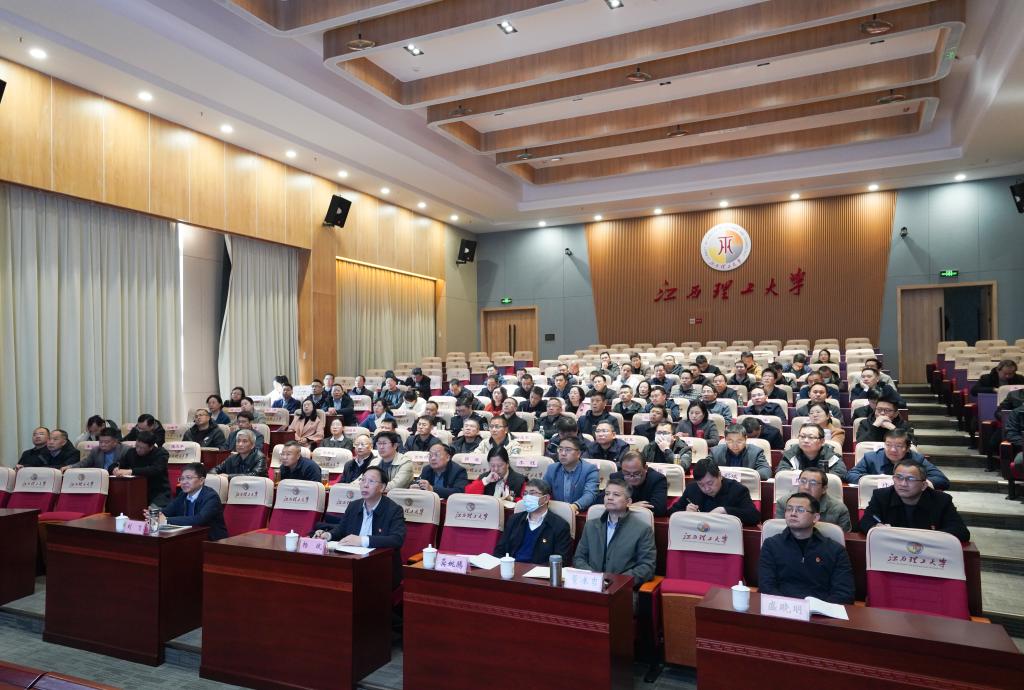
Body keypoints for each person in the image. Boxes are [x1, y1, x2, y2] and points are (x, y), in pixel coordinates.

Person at [312, 467, 407, 587]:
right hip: (352, 562)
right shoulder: (354, 506)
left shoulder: (394, 510)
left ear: (382, 487)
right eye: (363, 480)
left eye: (371, 481)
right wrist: (328, 535)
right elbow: (342, 529)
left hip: (381, 568)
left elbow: (397, 539)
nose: (365, 485)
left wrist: (362, 540)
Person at [759, 492, 855, 604]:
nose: (793, 514)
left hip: (821, 611)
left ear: (815, 517)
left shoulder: (835, 550)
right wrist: (788, 607)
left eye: (800, 510)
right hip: (781, 609)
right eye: (789, 509)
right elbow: (766, 586)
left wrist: (819, 609)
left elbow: (844, 593)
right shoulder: (771, 545)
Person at [573, 478, 656, 587]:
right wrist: (595, 579)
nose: (610, 497)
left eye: (616, 495)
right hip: (590, 586)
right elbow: (579, 558)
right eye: (607, 494)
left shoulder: (643, 529)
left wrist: (616, 582)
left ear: (628, 502)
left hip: (622, 589)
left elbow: (647, 567)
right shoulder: (591, 525)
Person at [860, 461, 970, 541]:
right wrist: (876, 527)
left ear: (924, 485)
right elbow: (865, 522)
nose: (903, 484)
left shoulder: (941, 500)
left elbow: (961, 531)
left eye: (911, 479)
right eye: (898, 477)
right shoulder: (881, 496)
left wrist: (923, 536)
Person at [847, 429, 949, 489]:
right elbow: (851, 475)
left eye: (899, 446)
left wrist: (916, 482)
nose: (893, 450)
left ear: (908, 448)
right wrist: (874, 480)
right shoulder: (871, 457)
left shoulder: (917, 459)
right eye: (888, 445)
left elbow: (942, 480)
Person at [150, 462, 228, 540]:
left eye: (189, 478)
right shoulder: (182, 495)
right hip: (189, 537)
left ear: (201, 480)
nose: (184, 482)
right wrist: (155, 515)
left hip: (211, 540)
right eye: (182, 479)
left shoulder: (211, 497)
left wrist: (166, 520)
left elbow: (199, 520)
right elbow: (167, 511)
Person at [671, 459, 760, 525]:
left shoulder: (737, 490)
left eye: (710, 483)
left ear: (720, 476)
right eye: (701, 485)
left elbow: (754, 516)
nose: (706, 489)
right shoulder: (692, 489)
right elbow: (671, 511)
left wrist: (724, 510)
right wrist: (685, 512)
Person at [773, 468, 852, 531]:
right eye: (803, 481)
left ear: (824, 489)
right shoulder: (784, 503)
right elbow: (780, 531)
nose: (806, 487)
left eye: (813, 483)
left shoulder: (839, 509)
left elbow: (842, 538)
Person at [543, 436, 600, 513]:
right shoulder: (552, 468)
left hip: (580, 511)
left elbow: (590, 494)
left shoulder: (590, 470)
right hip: (557, 511)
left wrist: (575, 506)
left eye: (568, 450)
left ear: (578, 453)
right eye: (560, 449)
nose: (563, 453)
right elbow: (543, 490)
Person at [113, 431, 171, 507]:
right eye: (137, 446)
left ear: (151, 447)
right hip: (136, 491)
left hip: (158, 492)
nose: (138, 450)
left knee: (152, 511)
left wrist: (131, 471)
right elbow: (120, 464)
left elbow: (155, 469)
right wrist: (115, 468)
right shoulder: (131, 452)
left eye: (142, 448)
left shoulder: (161, 453)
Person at [777, 423, 848, 481]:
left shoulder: (831, 456)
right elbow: (781, 472)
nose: (805, 440)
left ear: (822, 441)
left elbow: (841, 474)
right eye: (802, 436)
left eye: (811, 437)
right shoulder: (791, 454)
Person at [610, 451, 668, 516]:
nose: (631, 477)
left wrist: (621, 506)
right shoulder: (616, 477)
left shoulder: (657, 479)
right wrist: (629, 506)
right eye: (627, 473)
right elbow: (602, 502)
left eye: (636, 473)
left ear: (645, 468)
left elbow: (659, 508)